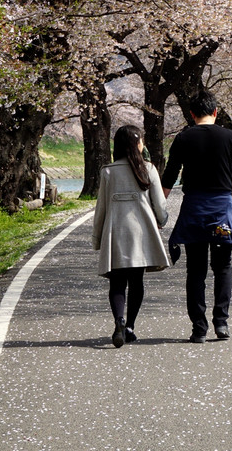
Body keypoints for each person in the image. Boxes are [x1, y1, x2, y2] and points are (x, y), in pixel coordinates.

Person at [162, 91, 232, 343]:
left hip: (194, 210)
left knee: (195, 270)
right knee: (222, 266)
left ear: (192, 114)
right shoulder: (231, 137)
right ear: (216, 112)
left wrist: (157, 207)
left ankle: (198, 328)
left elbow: (170, 175)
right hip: (222, 212)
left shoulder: (183, 137)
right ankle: (221, 323)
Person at [92, 125, 170, 348]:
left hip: (115, 234)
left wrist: (97, 238)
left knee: (117, 283)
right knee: (137, 282)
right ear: (138, 144)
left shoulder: (108, 171)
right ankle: (130, 327)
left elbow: (101, 208)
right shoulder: (148, 169)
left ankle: (118, 321)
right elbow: (159, 204)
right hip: (141, 234)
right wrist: (162, 220)